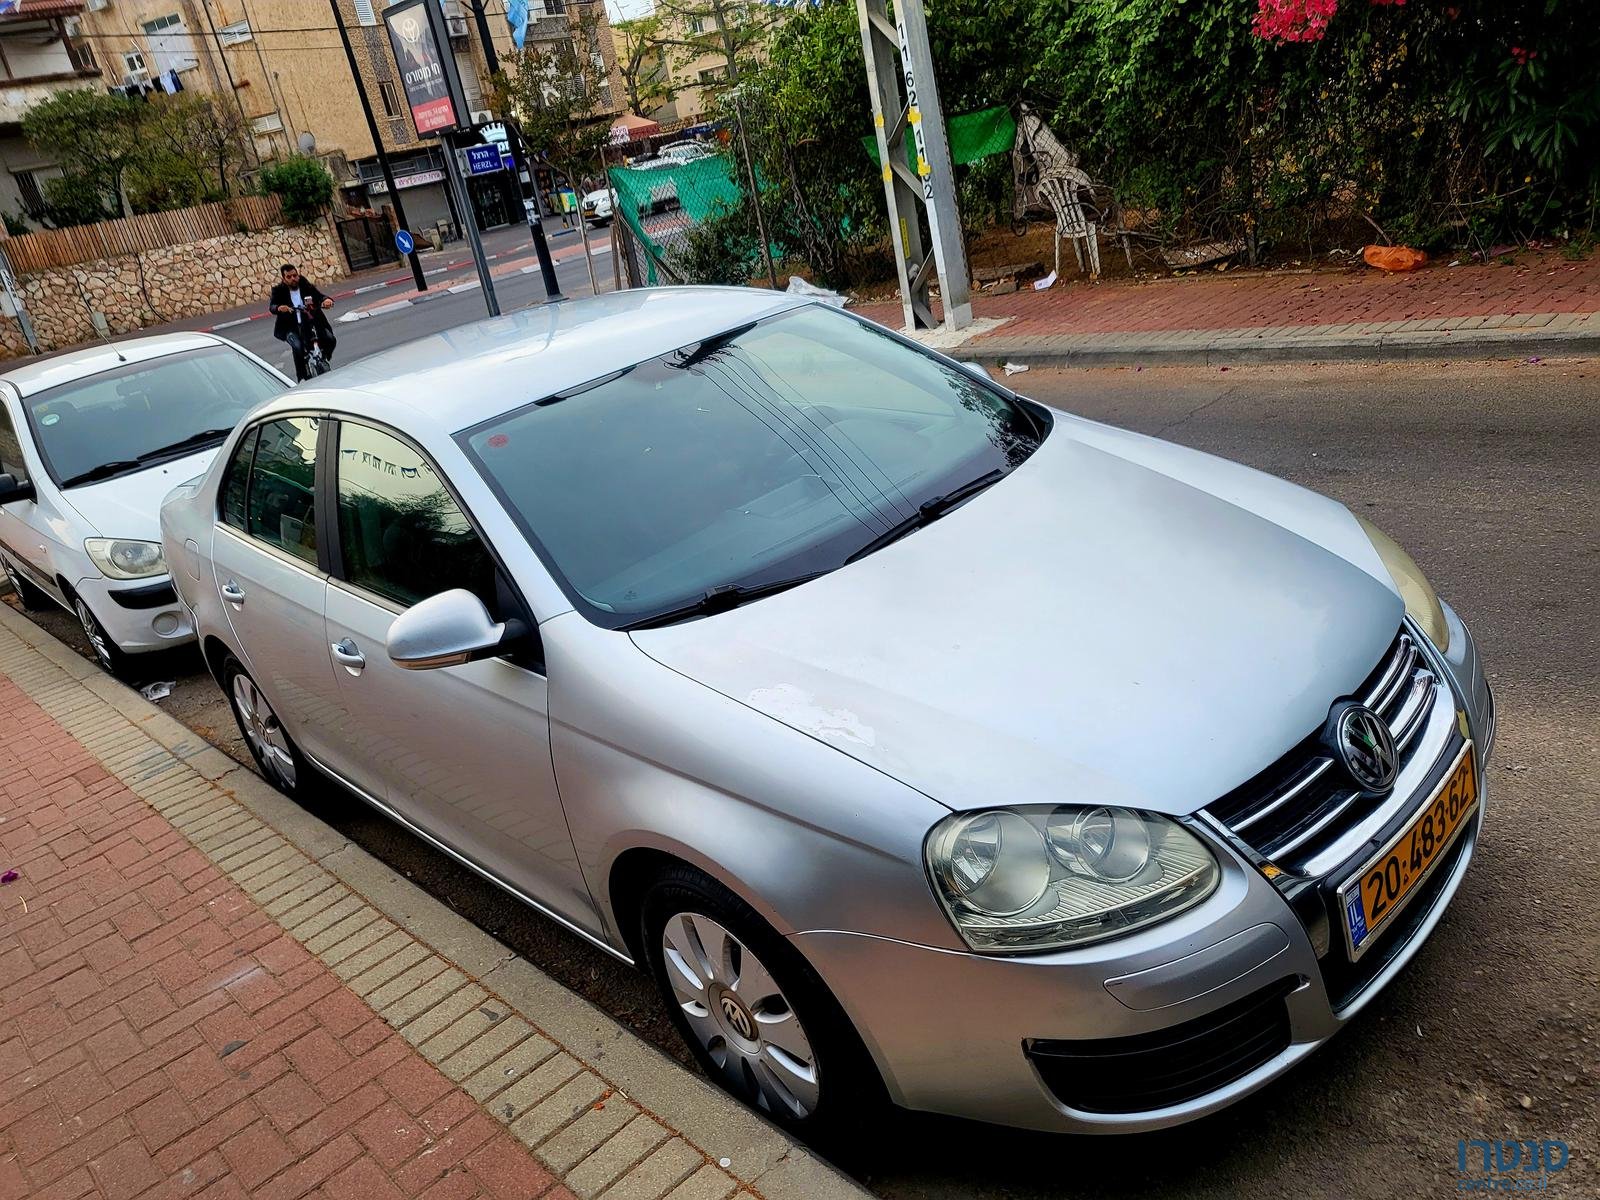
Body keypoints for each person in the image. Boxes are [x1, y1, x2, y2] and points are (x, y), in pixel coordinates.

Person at [269, 264, 337, 381]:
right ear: (284, 279)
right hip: (291, 327)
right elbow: (272, 306)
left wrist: (326, 300)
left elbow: (318, 296)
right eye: (289, 277)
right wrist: (279, 308)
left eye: (295, 275)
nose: (293, 279)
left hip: (311, 322)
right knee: (298, 347)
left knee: (330, 339)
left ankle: (324, 357)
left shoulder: (305, 285)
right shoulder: (279, 291)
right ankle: (303, 377)